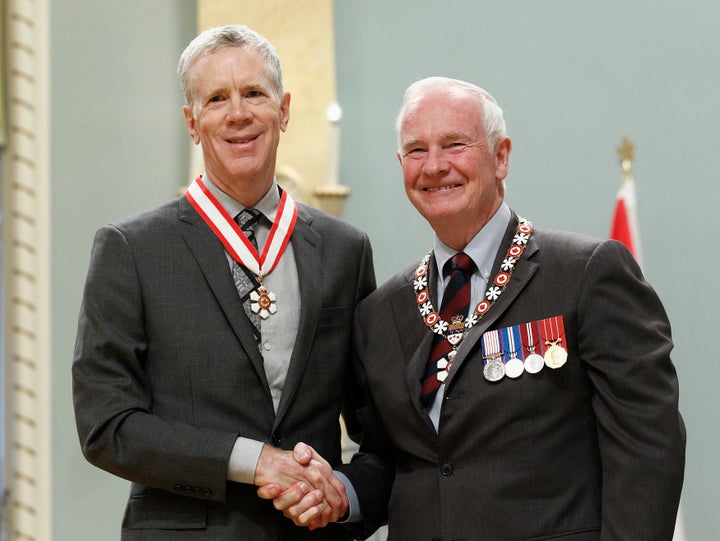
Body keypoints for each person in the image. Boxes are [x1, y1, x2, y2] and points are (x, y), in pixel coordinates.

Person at [264, 76, 686, 540]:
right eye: (417, 150)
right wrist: (343, 493)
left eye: (455, 144)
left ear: (501, 156)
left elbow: (648, 447)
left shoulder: (585, 274)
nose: (435, 166)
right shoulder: (381, 312)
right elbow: (391, 461)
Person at [72, 24, 375, 540]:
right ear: (193, 122)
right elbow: (107, 425)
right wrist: (254, 461)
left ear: (284, 109)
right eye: (217, 98)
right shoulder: (132, 250)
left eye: (254, 93)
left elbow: (380, 430)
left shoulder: (345, 250)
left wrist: (341, 494)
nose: (238, 114)